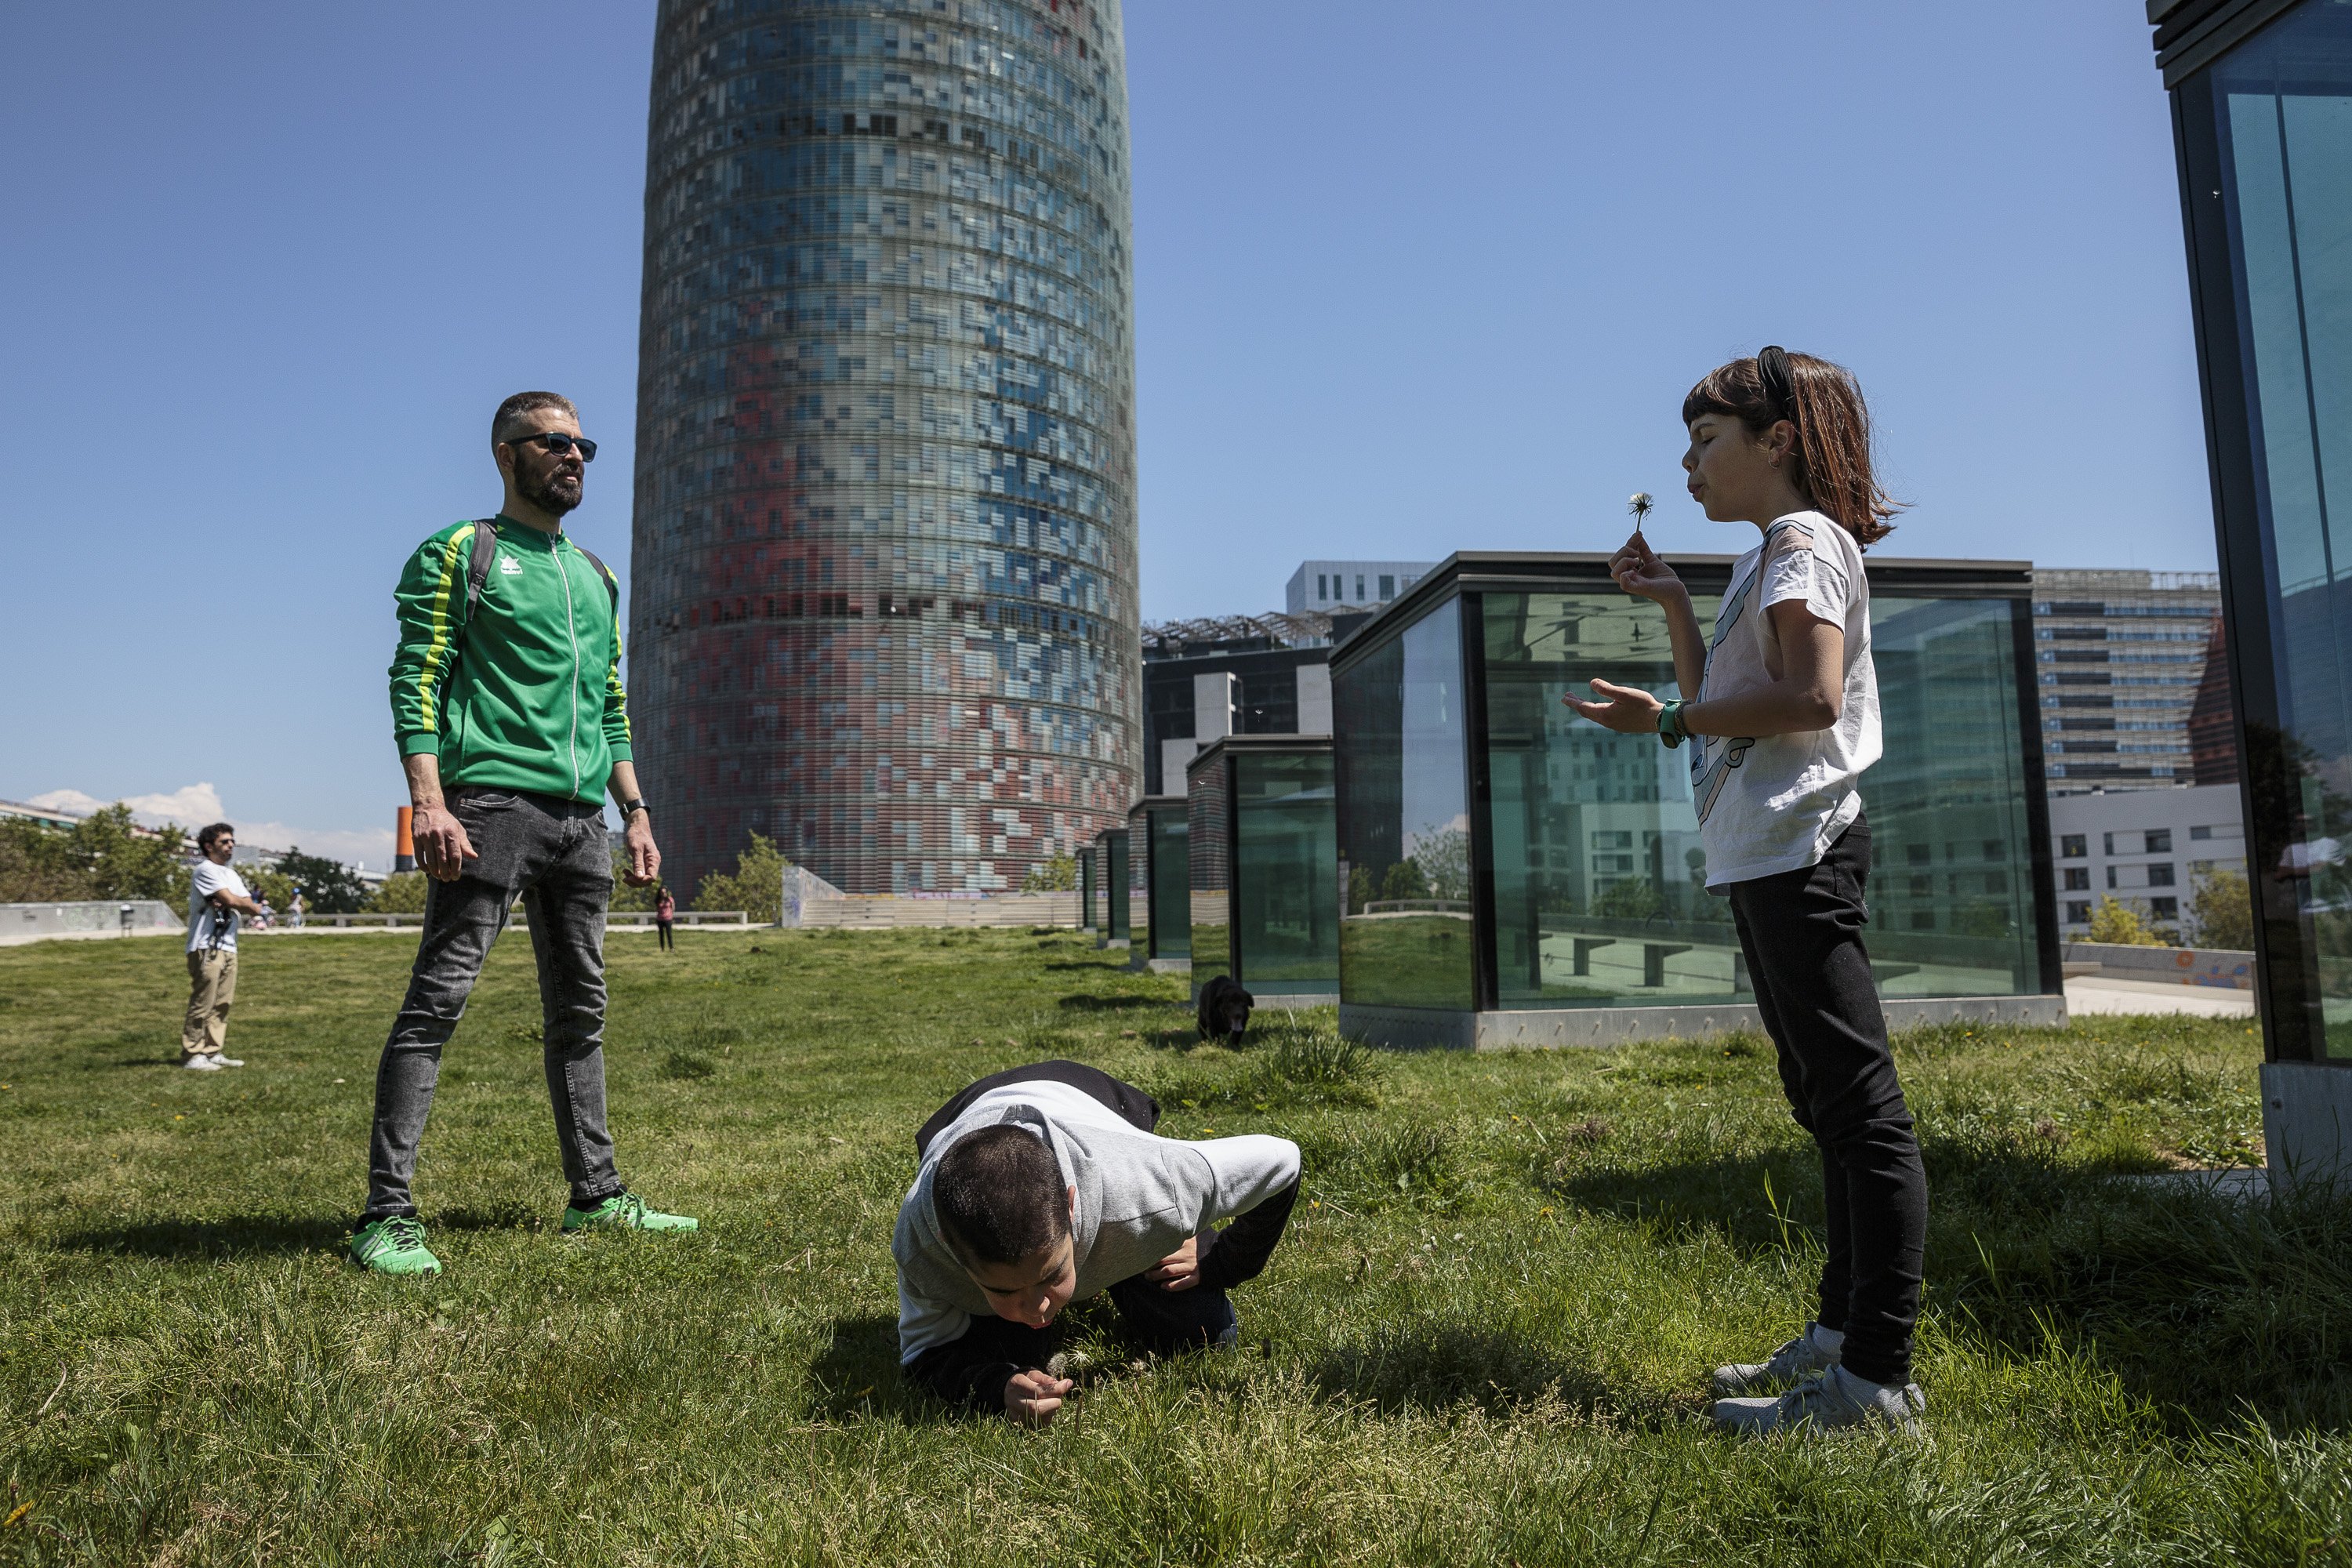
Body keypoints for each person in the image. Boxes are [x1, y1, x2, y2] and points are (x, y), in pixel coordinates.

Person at [1565, 347, 1927, 1437]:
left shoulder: (1802, 543)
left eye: (1707, 439)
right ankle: (1836, 1339)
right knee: (1824, 1106)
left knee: (1862, 1117)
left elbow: (1808, 701)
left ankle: (1873, 1385)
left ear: (1779, 442)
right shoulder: (1769, 554)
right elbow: (1732, 699)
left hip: (1801, 853)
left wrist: (1667, 723)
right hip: (1768, 853)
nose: (1687, 463)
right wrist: (1677, 608)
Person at [352, 390, 697, 1278]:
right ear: (507, 452)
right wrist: (429, 800)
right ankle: (385, 1215)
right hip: (489, 809)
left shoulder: (596, 575)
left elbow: (609, 706)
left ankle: (597, 1196)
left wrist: (637, 812)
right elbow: (416, 677)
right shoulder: (464, 553)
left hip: (584, 822)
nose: (574, 455)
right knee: (438, 1001)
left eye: (583, 443)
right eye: (555, 442)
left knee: (582, 1011)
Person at [895, 1060, 1300, 1425]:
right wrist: (995, 1386)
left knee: (1208, 1332)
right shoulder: (922, 1246)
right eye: (1004, 1288)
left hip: (1090, 1099)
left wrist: (1221, 1259)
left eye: (1052, 1273)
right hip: (961, 1114)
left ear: (1071, 1207)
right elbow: (923, 1355)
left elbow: (1283, 1159)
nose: (1037, 1307)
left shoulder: (1153, 1189)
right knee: (1013, 1350)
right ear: (949, 1245)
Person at [182, 822, 263, 1071]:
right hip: (206, 945)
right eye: (224, 842)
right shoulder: (204, 870)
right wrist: (233, 900)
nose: (231, 846)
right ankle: (193, 1053)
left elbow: (250, 905)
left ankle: (213, 1050)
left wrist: (236, 901)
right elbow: (232, 900)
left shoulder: (230, 874)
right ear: (209, 846)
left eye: (232, 842)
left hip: (229, 945)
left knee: (222, 1003)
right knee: (203, 1002)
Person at [655, 886, 676, 952]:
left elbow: (673, 908)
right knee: (661, 935)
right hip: (660, 919)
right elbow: (657, 909)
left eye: (664, 892)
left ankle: (671, 948)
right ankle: (662, 948)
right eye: (662, 892)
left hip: (668, 919)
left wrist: (670, 915)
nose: (663, 894)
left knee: (669, 934)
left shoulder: (670, 899)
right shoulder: (658, 900)